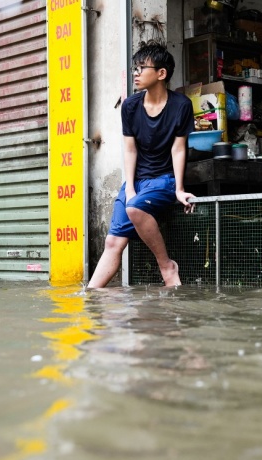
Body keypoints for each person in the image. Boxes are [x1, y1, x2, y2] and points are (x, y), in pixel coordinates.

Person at [88, 42, 195, 288]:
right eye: (134, 68)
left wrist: (178, 189)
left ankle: (166, 265)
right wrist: (129, 187)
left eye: (141, 68)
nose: (135, 73)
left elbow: (178, 149)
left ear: (161, 73)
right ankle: (90, 296)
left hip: (164, 179)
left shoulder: (181, 106)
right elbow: (129, 148)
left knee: (135, 208)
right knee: (113, 243)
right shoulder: (130, 106)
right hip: (137, 181)